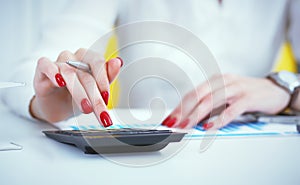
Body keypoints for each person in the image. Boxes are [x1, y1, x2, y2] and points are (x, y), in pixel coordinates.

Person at [2, 0, 300, 129]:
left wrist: (287, 89)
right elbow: (28, 70)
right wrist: (45, 101)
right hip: (146, 164)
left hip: (255, 157)